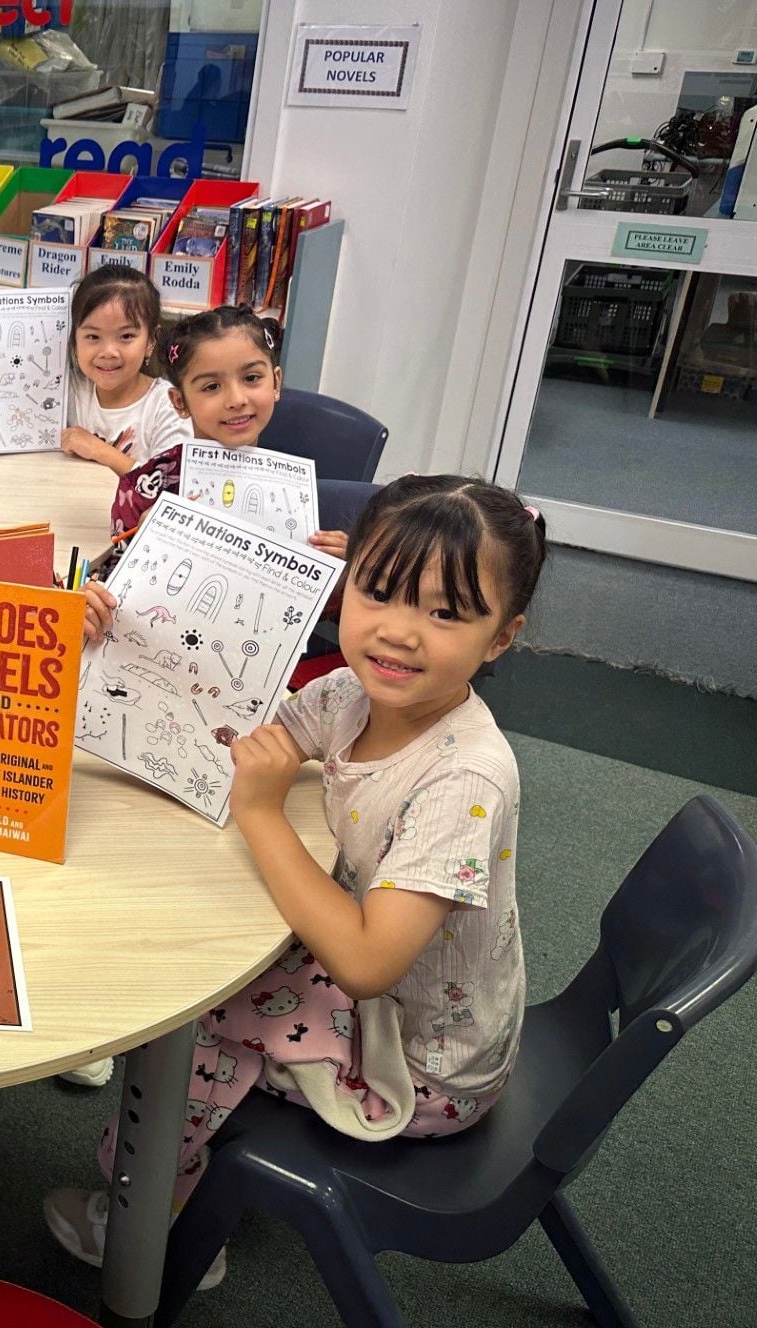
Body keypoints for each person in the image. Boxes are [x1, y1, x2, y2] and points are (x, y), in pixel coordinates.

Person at [46, 475, 547, 1290]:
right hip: (393, 991)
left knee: (196, 1010)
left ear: (502, 638)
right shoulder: (353, 693)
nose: (398, 632)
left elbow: (367, 963)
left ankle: (155, 1226)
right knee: (203, 950)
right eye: (378, 591)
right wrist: (104, 642)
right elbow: (228, 735)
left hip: (420, 1065)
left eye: (446, 612)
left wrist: (263, 813)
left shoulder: (465, 778)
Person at [81, 305, 347, 649]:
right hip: (160, 652)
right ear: (179, 402)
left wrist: (340, 574)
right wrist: (145, 548)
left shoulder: (292, 498)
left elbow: (301, 616)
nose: (236, 399)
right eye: (211, 386)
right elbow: (111, 602)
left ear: (276, 382)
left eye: (251, 378)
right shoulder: (143, 489)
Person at [0, 265, 190, 474]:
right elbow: (12, 429)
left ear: (151, 340)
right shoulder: (67, 388)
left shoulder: (168, 406)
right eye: (93, 337)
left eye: (126, 336)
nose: (108, 351)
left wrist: (101, 451)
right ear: (74, 341)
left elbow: (169, 487)